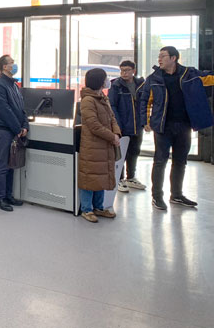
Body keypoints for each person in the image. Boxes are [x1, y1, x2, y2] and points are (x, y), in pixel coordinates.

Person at [140, 46, 214, 210]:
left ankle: (177, 195)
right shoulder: (154, 78)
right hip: (162, 126)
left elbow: (210, 78)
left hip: (184, 125)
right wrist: (145, 121)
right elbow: (144, 100)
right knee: (160, 162)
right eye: (159, 56)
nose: (159, 59)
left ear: (174, 58)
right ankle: (157, 197)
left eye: (163, 56)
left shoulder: (190, 74)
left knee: (180, 161)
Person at [78, 68, 121, 223]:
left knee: (101, 177)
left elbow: (112, 118)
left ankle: (99, 207)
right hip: (92, 146)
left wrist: (116, 133)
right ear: (99, 81)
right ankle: (87, 209)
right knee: (89, 178)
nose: (107, 81)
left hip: (105, 144)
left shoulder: (102, 97)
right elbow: (94, 125)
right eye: (105, 78)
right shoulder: (88, 100)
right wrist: (112, 137)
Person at [0, 55, 29, 212]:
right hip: (4, 131)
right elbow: (5, 111)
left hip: (14, 131)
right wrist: (18, 129)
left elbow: (21, 108)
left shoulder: (14, 85)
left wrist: (25, 125)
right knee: (3, 165)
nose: (14, 65)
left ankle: (8, 196)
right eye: (12, 63)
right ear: (4, 67)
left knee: (11, 164)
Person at [108, 60, 146, 193]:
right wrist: (117, 125)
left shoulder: (141, 84)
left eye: (127, 70)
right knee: (121, 153)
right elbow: (112, 105)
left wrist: (145, 121)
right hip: (123, 125)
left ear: (133, 71)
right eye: (122, 70)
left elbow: (145, 103)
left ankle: (131, 177)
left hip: (137, 125)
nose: (124, 73)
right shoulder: (116, 85)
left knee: (134, 152)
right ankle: (119, 178)